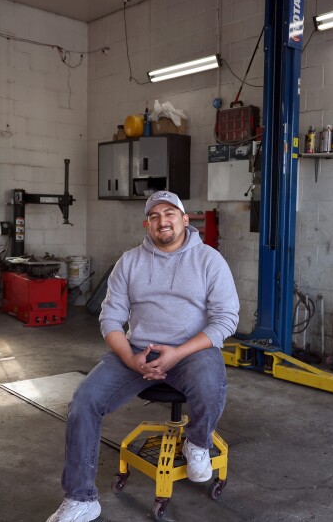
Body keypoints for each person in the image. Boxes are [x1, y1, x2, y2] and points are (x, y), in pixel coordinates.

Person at [46, 190, 239, 522]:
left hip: (191, 349)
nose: (162, 222)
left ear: (184, 218)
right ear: (147, 224)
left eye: (169, 214)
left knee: (211, 379)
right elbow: (110, 319)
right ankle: (81, 498)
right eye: (154, 216)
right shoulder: (130, 262)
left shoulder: (209, 260)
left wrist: (179, 351)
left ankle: (196, 441)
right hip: (139, 350)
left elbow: (226, 318)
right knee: (84, 401)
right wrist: (131, 358)